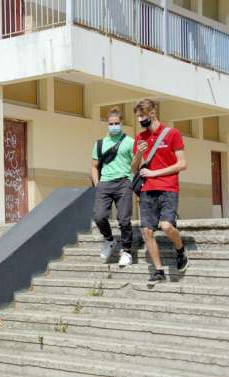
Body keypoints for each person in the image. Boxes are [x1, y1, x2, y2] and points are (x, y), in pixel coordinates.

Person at [131, 99, 189, 286]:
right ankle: (158, 271)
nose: (140, 120)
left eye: (142, 116)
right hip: (147, 189)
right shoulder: (140, 138)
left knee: (166, 226)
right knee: (147, 231)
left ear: (152, 114)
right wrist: (139, 154)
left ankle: (180, 249)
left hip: (168, 188)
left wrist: (155, 172)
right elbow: (134, 169)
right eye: (138, 116)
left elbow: (182, 164)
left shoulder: (172, 134)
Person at [91, 107, 134, 267]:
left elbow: (136, 164)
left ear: (121, 123)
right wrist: (98, 184)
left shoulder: (130, 142)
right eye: (111, 123)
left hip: (123, 182)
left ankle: (127, 251)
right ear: (107, 124)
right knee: (99, 216)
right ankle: (109, 240)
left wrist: (130, 180)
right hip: (105, 184)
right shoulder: (100, 143)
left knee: (124, 219)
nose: (114, 126)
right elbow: (94, 166)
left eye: (116, 123)